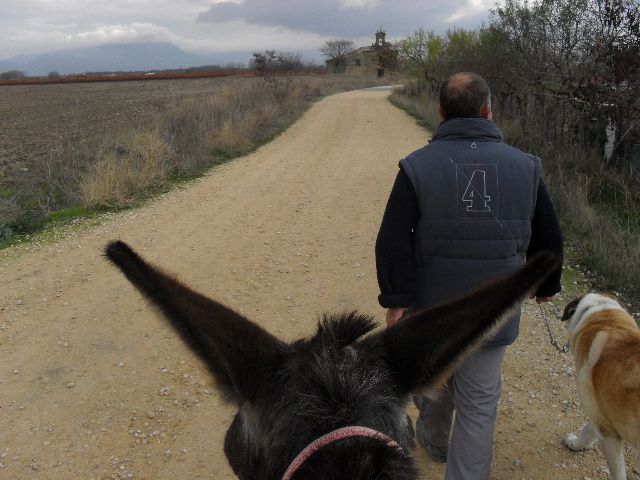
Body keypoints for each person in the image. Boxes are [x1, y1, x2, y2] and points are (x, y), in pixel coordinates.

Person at [375, 72, 563, 479]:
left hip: (432, 314)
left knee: (436, 377)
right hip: (492, 316)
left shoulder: (416, 168)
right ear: (487, 111)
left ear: (440, 112)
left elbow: (391, 239)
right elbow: (548, 233)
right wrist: (547, 285)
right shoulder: (526, 167)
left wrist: (396, 300)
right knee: (479, 406)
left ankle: (435, 436)